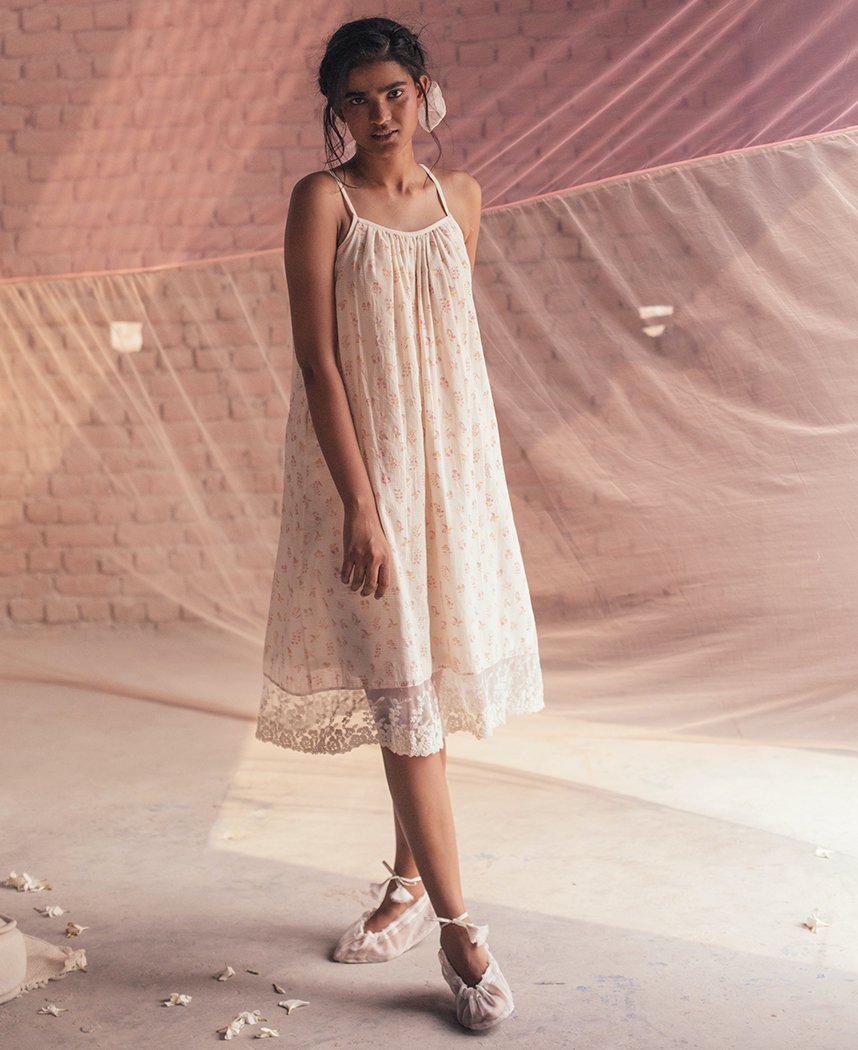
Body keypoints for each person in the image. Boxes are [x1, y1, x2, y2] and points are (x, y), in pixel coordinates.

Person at [255, 16, 544, 1031]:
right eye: (357, 98)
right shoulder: (322, 201)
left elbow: (445, 346)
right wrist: (361, 506)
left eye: (395, 92)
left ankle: (409, 888)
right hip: (368, 476)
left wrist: (451, 487)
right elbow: (319, 363)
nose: (379, 113)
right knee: (405, 699)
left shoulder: (462, 198)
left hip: (451, 474)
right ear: (333, 110)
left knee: (424, 693)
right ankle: (463, 933)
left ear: (423, 91)